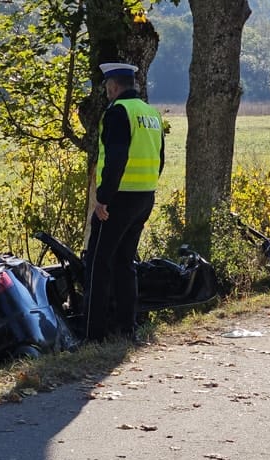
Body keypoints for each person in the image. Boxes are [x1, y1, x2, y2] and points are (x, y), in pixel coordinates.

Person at [83, 62, 165, 343]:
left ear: (114, 86)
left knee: (98, 263)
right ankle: (127, 328)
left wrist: (103, 199)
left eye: (107, 87)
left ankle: (92, 335)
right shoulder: (151, 114)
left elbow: (116, 159)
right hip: (145, 196)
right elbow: (160, 159)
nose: (107, 92)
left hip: (119, 198)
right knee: (124, 262)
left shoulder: (118, 112)